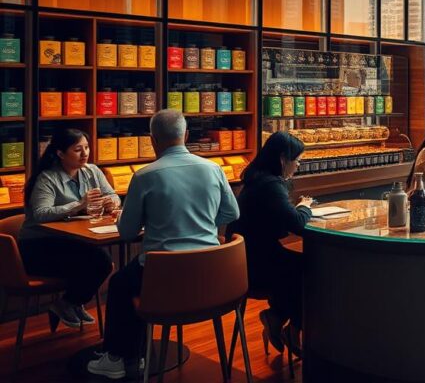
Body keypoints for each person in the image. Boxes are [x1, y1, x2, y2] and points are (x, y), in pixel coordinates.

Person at [88, 110, 240, 380]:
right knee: (129, 280)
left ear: (152, 140)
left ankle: (117, 358)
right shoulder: (213, 168)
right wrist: (203, 223)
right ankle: (138, 353)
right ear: (187, 136)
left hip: (161, 278)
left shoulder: (145, 176)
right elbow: (232, 214)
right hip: (211, 277)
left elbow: (127, 232)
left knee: (121, 283)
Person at [19, 128, 119, 329]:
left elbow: (113, 195)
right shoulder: (47, 178)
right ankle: (67, 303)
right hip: (36, 247)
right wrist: (79, 205)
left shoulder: (92, 171)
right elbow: (40, 213)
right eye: (78, 149)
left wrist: (111, 202)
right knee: (99, 261)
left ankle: (70, 303)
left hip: (71, 241)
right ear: (60, 153)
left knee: (100, 260)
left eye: (87, 148)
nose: (85, 154)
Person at [229, 131, 313, 357]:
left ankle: (279, 318)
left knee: (301, 266)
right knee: (311, 271)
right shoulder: (270, 185)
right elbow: (298, 225)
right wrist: (305, 207)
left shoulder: (258, 179)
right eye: (297, 160)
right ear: (283, 159)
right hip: (256, 268)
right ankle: (288, 326)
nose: (298, 166)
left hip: (247, 259)